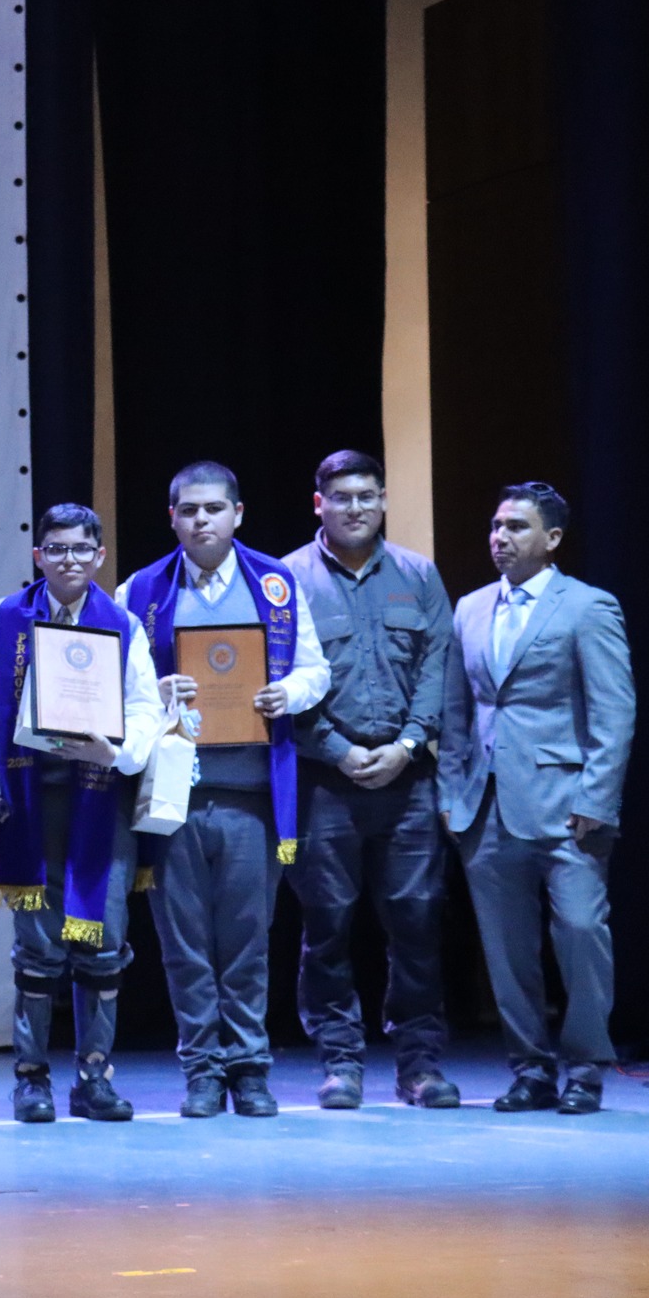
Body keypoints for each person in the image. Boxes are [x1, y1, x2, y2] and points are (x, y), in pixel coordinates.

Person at [119, 461, 330, 1118]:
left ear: (237, 513)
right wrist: (154, 692)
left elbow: (316, 669)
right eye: (189, 510)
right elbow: (118, 692)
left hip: (249, 796)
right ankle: (202, 1070)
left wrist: (285, 692)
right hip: (172, 800)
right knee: (184, 944)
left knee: (246, 939)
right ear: (173, 517)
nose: (201, 520)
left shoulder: (275, 582)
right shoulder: (141, 590)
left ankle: (249, 1066)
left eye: (214, 508)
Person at [0, 503, 163, 1123]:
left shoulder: (124, 624)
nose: (69, 561)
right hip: (27, 803)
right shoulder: (5, 619)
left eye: (81, 550)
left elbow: (149, 711)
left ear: (99, 556)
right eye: (57, 550)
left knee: (100, 941)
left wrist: (119, 751)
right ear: (38, 556)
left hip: (99, 801)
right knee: (38, 946)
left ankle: (94, 1076)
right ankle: (30, 1077)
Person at [439, 482, 634, 1115]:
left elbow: (614, 711)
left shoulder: (586, 607)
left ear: (551, 539)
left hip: (565, 805)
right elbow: (455, 709)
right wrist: (449, 791)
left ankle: (584, 1065)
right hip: (484, 804)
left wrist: (598, 799)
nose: (501, 537)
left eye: (517, 527)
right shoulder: (468, 609)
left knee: (580, 931)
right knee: (506, 946)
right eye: (496, 525)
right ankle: (529, 1067)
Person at [281, 453, 459, 1110]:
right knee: (326, 924)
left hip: (408, 783)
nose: (355, 507)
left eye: (367, 496)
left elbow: (439, 667)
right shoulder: (288, 580)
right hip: (324, 783)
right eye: (341, 496)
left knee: (415, 922)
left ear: (383, 499)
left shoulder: (417, 574)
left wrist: (410, 744)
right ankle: (340, 1061)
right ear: (319, 502)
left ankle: (420, 1066)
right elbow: (277, 681)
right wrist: (336, 748)